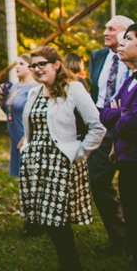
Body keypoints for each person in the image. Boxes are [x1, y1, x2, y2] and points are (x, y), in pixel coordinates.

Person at [18, 46, 106, 270]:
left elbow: (97, 126)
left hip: (60, 163)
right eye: (33, 65)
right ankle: (69, 263)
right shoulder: (34, 92)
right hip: (35, 163)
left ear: (56, 65)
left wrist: (79, 152)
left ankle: (71, 264)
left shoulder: (73, 88)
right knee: (43, 219)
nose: (37, 69)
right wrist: (26, 145)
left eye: (41, 64)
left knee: (56, 220)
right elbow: (33, 125)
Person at [89, 15, 134, 255]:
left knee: (130, 185)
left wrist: (119, 116)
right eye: (104, 27)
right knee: (97, 180)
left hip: (130, 127)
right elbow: (95, 91)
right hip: (102, 126)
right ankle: (119, 237)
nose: (105, 32)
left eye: (111, 28)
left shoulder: (133, 61)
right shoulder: (97, 57)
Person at [101, 23, 137, 269]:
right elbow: (106, 112)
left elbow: (132, 122)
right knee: (131, 216)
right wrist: (121, 113)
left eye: (129, 39)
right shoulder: (130, 80)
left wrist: (120, 114)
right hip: (127, 159)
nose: (121, 44)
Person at [0, 54, 38, 178]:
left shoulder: (35, 88)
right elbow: (10, 110)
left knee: (29, 177)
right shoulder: (15, 87)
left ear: (31, 68)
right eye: (16, 64)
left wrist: (26, 137)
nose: (17, 67)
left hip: (26, 137)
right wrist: (2, 99)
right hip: (14, 136)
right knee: (19, 178)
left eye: (21, 64)